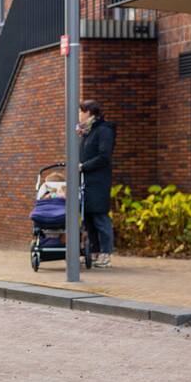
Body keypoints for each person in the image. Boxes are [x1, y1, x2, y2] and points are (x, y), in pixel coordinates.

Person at [78, 100, 116, 268]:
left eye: (81, 112)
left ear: (89, 113)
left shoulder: (103, 131)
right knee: (89, 218)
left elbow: (104, 156)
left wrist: (83, 166)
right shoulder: (88, 132)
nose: (79, 115)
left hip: (98, 182)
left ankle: (106, 254)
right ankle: (94, 251)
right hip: (86, 182)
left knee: (100, 217)